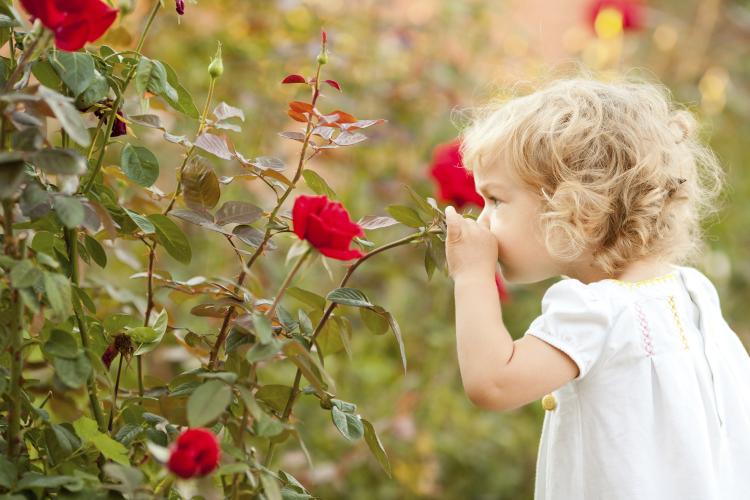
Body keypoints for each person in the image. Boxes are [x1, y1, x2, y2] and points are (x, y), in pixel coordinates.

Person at [444, 76, 750, 499]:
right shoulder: (692, 291)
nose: (482, 222)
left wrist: (471, 275)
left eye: (495, 201)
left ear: (576, 207)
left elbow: (493, 383)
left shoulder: (598, 311)